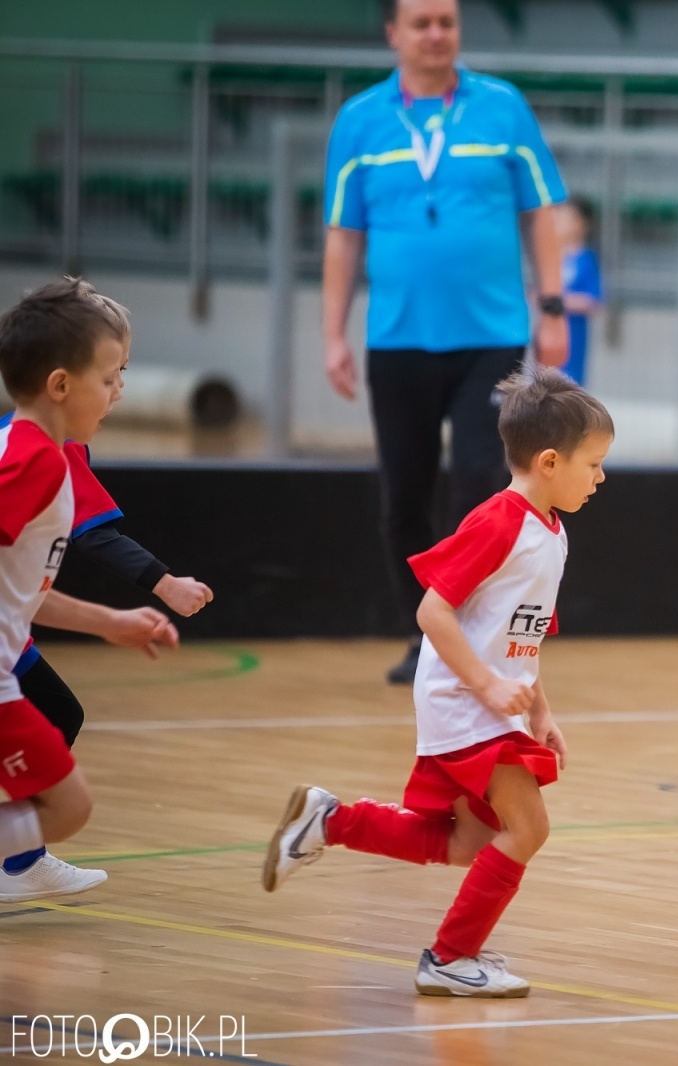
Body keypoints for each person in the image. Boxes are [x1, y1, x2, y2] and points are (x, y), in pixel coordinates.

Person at [263, 366, 612, 999]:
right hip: (464, 702)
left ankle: (332, 822)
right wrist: (484, 686)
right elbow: (432, 611)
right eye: (594, 464)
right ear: (551, 461)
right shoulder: (501, 521)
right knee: (528, 830)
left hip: (493, 706)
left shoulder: (552, 534)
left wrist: (540, 710)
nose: (600, 477)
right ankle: (451, 959)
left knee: (466, 843)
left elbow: (522, 639)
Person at [321, 0, 571, 685]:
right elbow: (344, 235)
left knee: (479, 485)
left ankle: (478, 637)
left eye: (447, 21)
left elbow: (541, 209)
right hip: (397, 340)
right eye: (422, 22)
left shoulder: (502, 107)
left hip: (490, 338)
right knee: (403, 496)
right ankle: (423, 633)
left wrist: (551, 307)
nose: (437, 33)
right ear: (393, 33)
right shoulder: (361, 120)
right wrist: (332, 333)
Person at [0, 294, 212, 904]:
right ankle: (19, 867)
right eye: (110, 375)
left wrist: (110, 622)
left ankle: (19, 866)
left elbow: (21, 595)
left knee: (67, 803)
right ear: (61, 384)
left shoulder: (44, 453)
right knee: (66, 806)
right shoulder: (35, 461)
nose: (120, 388)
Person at [557, 197, 603, 387]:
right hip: (550, 336)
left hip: (573, 338)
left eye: (566, 219)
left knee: (568, 389)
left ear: (581, 224)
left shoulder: (585, 259)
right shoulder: (552, 259)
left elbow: (593, 300)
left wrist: (560, 302)